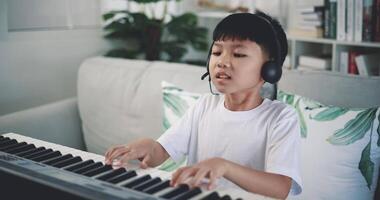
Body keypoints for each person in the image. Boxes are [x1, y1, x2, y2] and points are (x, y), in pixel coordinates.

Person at [105, 12, 302, 199]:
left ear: (271, 69)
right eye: (217, 52)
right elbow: (161, 153)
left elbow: (280, 188)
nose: (222, 62)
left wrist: (224, 167)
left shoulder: (281, 117)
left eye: (239, 54)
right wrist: (146, 146)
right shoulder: (204, 106)